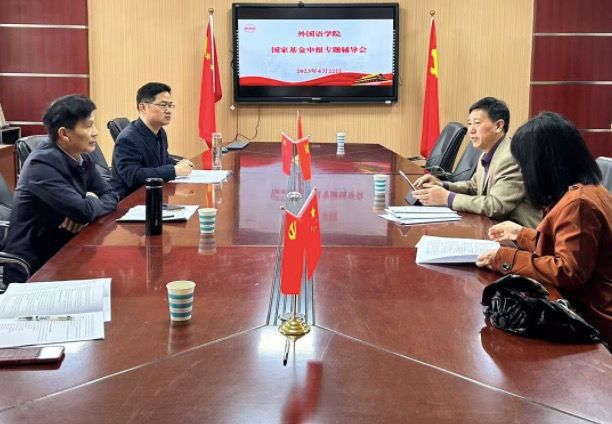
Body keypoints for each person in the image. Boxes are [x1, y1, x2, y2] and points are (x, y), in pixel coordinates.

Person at [476, 112, 611, 346]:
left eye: (523, 164)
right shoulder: (590, 190)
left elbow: (568, 272)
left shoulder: (578, 203)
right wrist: (521, 234)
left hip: (591, 320)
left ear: (542, 164)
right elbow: (571, 247)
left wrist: (505, 258)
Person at [3, 95, 119, 284]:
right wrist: (88, 204)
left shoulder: (82, 157)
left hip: (66, 249)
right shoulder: (41, 165)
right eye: (89, 126)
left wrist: (86, 206)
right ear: (64, 134)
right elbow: (83, 211)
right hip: (32, 267)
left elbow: (111, 194)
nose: (96, 132)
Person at [413, 97, 541, 228]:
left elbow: (496, 206)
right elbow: (474, 187)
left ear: (498, 126)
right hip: (494, 226)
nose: (471, 130)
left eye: (477, 123)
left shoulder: (511, 157)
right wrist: (442, 185)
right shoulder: (487, 152)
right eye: (469, 124)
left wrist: (447, 198)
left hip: (518, 233)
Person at [110, 82, 193, 199]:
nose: (168, 110)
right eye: (163, 105)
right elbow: (133, 176)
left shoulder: (160, 131)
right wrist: (174, 171)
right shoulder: (127, 139)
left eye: (170, 105)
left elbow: (162, 159)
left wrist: (178, 164)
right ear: (143, 107)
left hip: (154, 195)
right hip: (131, 201)